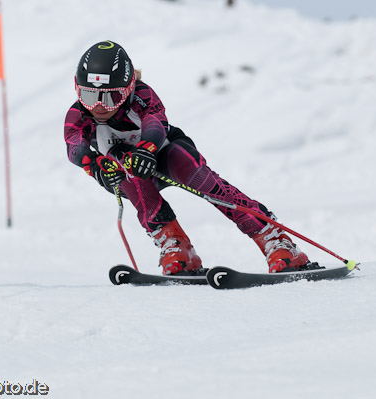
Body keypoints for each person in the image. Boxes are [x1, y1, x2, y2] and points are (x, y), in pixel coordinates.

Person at [64, 40, 310, 275]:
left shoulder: (141, 95)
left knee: (206, 183)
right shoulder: (79, 114)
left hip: (164, 153)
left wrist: (146, 148)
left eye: (110, 98)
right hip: (131, 167)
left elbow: (155, 122)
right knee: (127, 173)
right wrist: (96, 167)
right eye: (87, 95)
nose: (97, 106)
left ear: (128, 89)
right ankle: (177, 247)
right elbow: (74, 145)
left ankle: (274, 240)